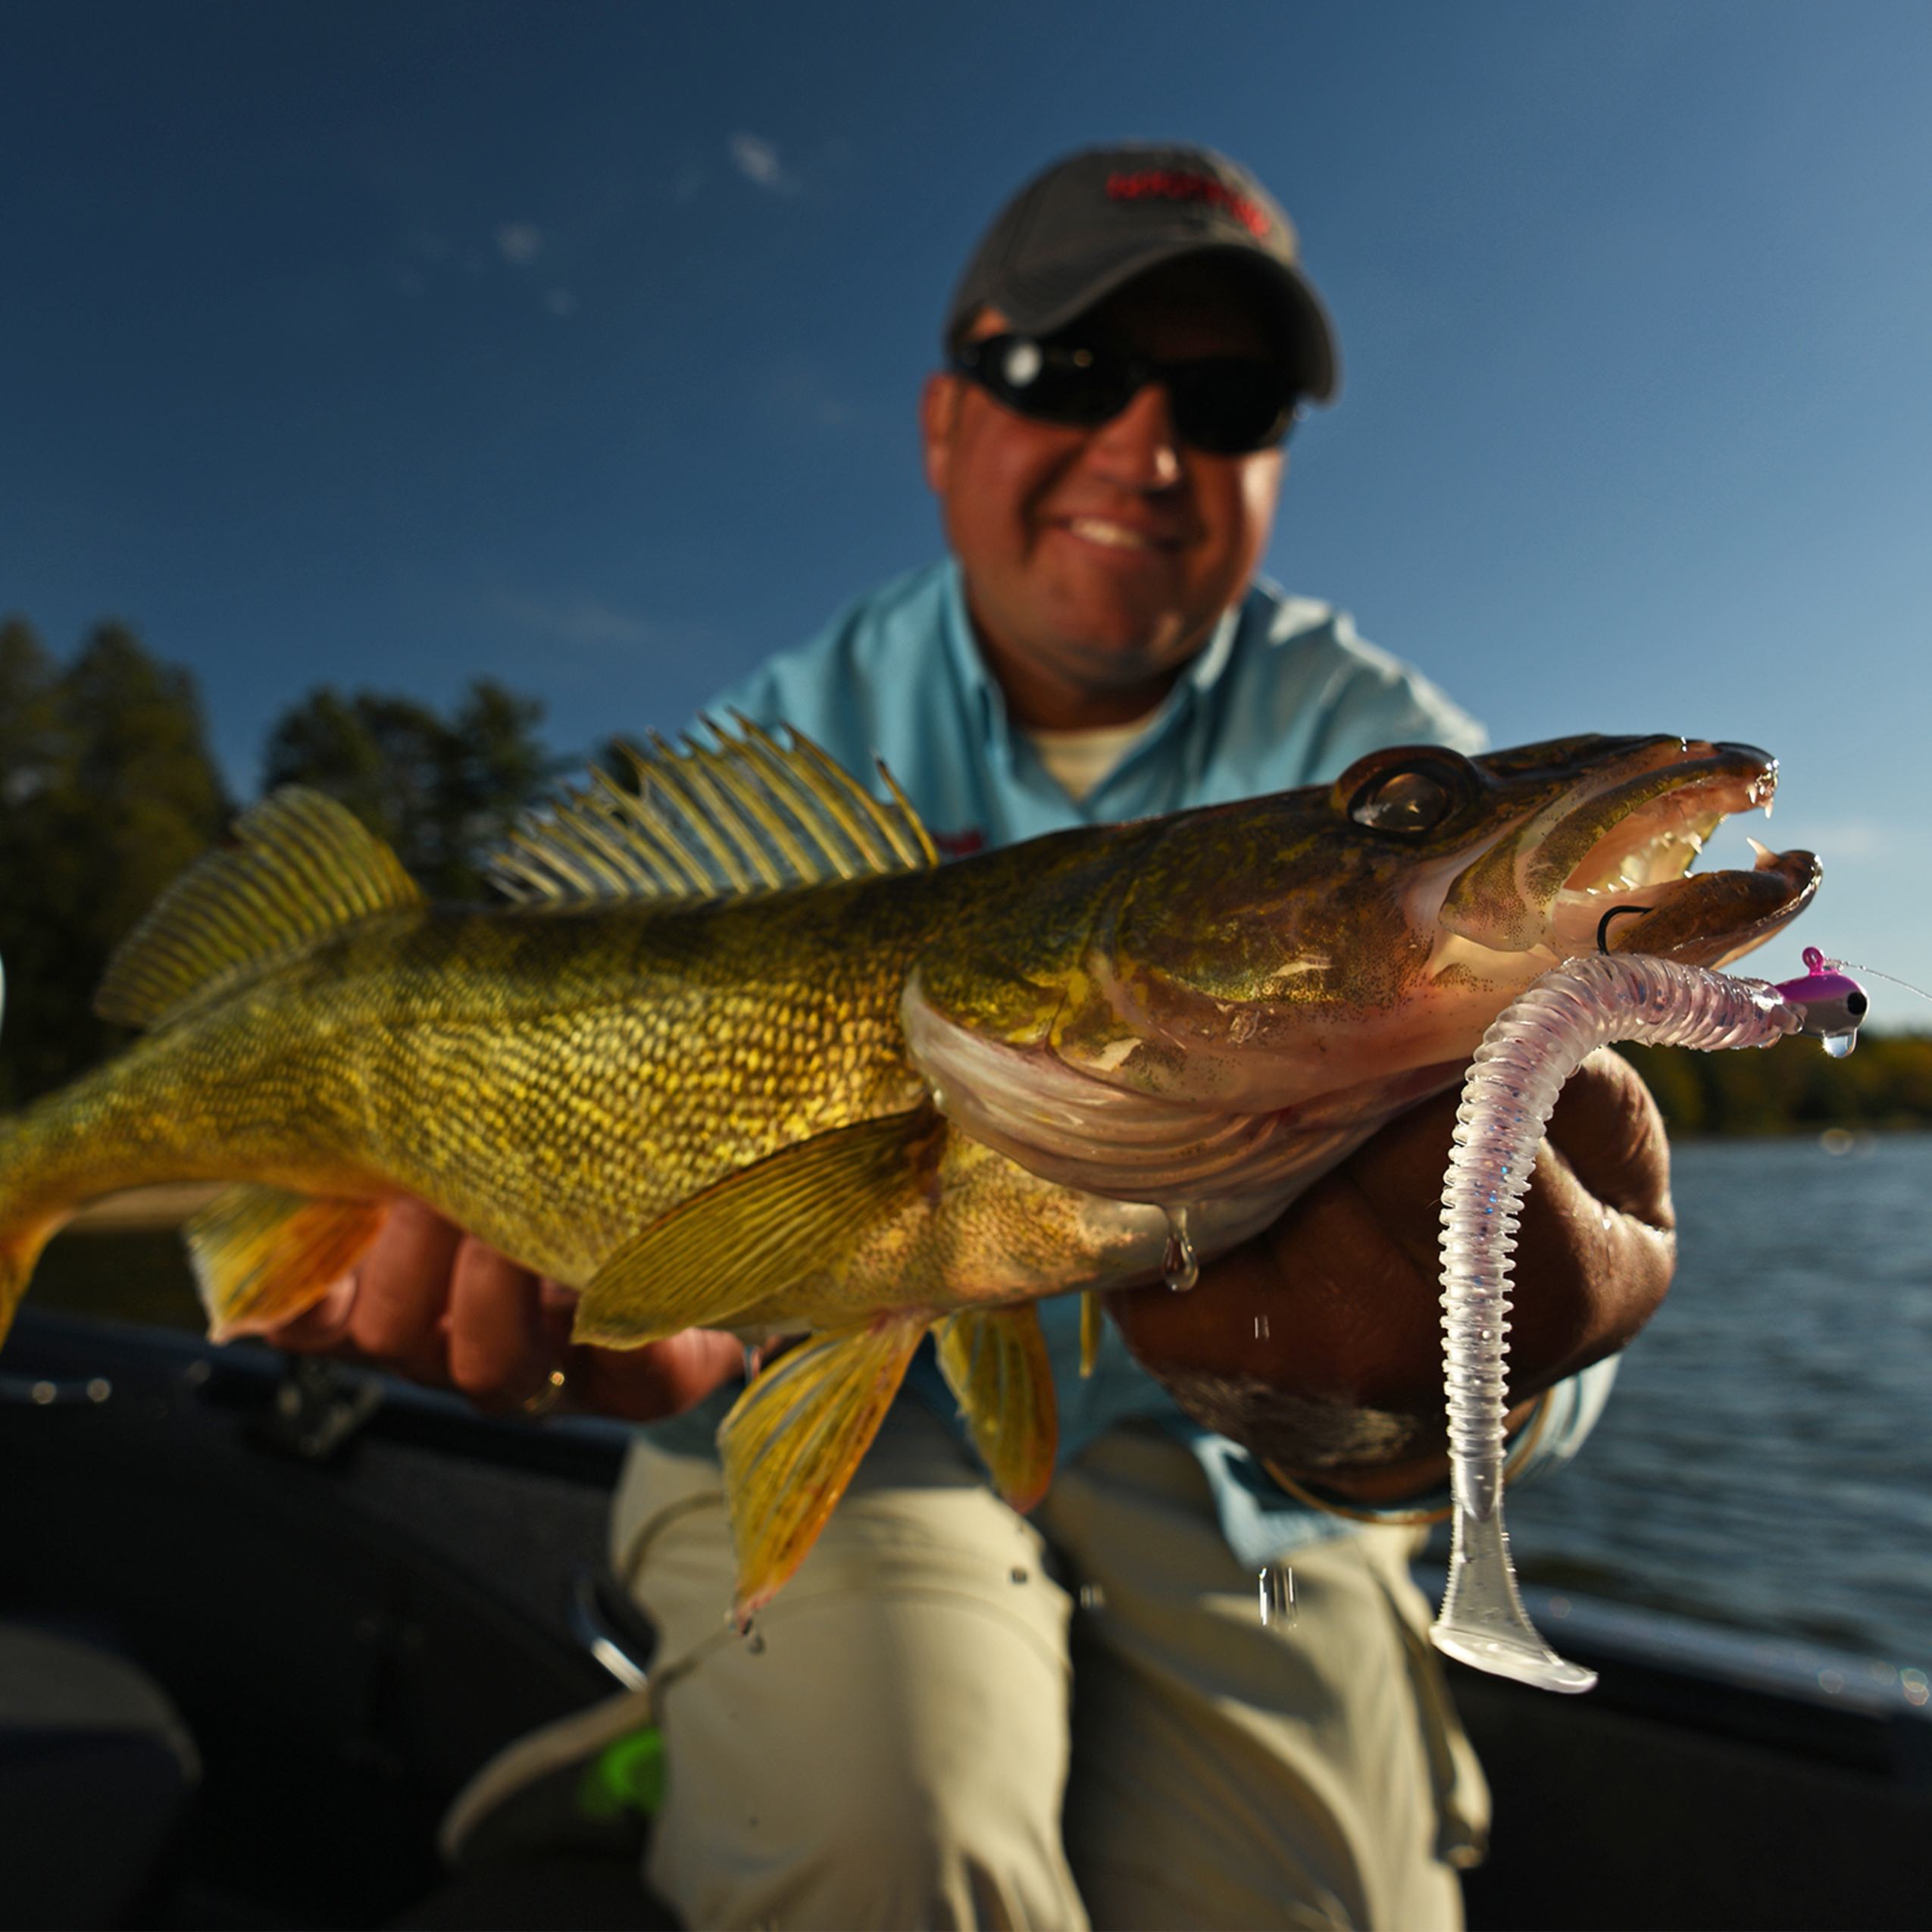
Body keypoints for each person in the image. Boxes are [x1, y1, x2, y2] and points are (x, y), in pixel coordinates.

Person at [274, 145, 1674, 1930]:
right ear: (946, 424)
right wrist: (668, 1325)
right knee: (893, 1843)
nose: (1145, 450)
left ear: (1270, 462)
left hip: (1247, 1504)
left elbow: (1550, 1269)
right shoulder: (774, 746)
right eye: (1066, 375)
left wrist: (1437, 1398)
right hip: (845, 1437)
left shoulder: (1389, 749)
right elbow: (667, 1267)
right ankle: (696, 1751)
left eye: (1226, 399)